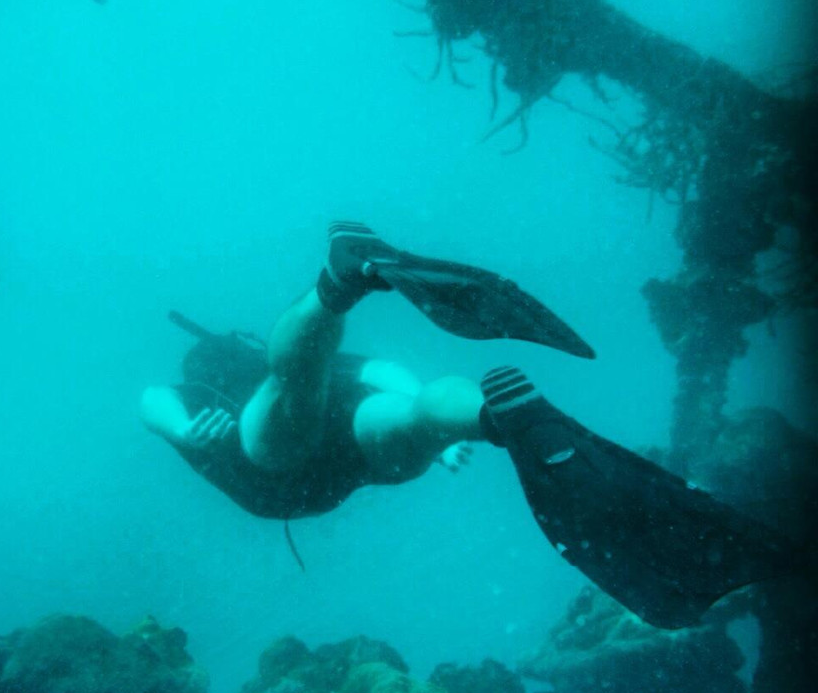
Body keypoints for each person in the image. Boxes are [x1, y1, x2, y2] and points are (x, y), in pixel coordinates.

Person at [142, 222, 795, 629]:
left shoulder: (198, 389)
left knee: (288, 407)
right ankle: (495, 419)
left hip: (280, 474)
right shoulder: (267, 370)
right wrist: (451, 437)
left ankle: (334, 286)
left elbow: (153, 404)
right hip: (358, 451)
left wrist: (181, 432)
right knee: (421, 417)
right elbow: (397, 377)